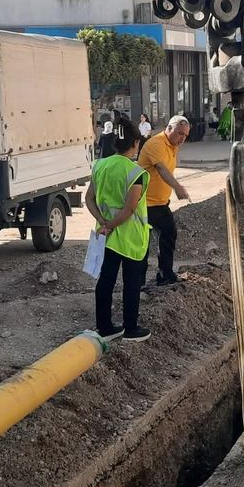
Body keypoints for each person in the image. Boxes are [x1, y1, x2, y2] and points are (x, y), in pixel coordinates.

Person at [85, 117, 152, 342]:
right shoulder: (135, 172)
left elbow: (89, 199)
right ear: (135, 143)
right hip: (130, 238)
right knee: (131, 282)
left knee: (106, 280)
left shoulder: (100, 165)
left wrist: (103, 223)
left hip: (107, 237)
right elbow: (129, 209)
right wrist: (111, 225)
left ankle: (104, 327)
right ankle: (131, 328)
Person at [138, 116, 191, 286]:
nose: (182, 138)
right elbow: (161, 167)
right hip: (145, 204)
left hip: (160, 203)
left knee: (168, 233)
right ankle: (138, 283)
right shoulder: (156, 143)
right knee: (143, 244)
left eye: (185, 135)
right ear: (168, 128)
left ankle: (165, 275)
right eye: (179, 133)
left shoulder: (172, 145)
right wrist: (177, 187)